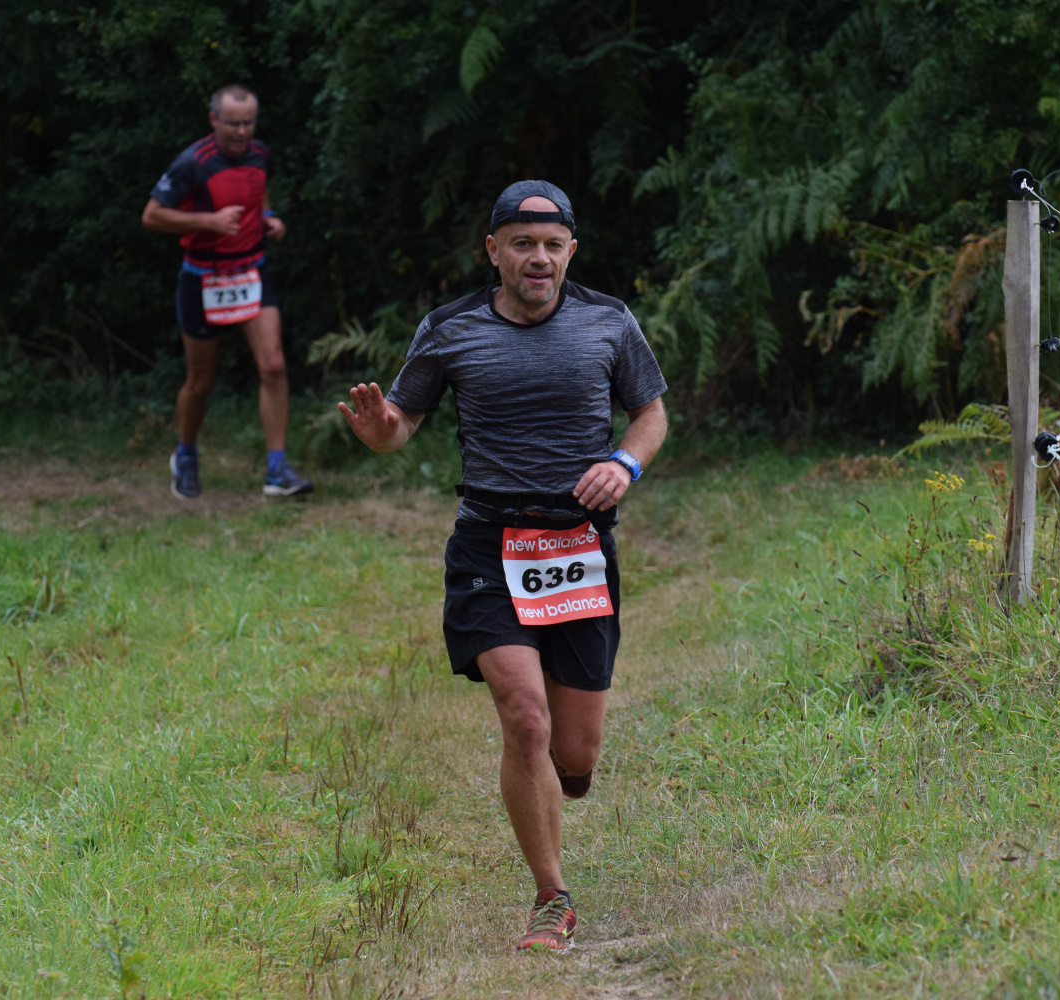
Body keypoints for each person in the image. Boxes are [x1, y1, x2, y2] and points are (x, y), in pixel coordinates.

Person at [338, 180, 668, 953]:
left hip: (577, 546)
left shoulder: (609, 321)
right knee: (524, 717)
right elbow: (400, 424)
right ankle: (552, 900)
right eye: (523, 244)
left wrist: (623, 463)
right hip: (489, 544)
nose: (538, 258)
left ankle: (559, 774)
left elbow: (651, 412)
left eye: (552, 245)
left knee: (574, 755)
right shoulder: (450, 328)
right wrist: (381, 429)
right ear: (494, 251)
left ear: (571, 251)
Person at [142, 83, 311, 499]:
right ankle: (185, 454)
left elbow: (258, 190)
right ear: (213, 119)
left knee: (273, 365)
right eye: (233, 123)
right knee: (201, 380)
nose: (241, 132)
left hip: (250, 271)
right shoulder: (191, 162)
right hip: (202, 277)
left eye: (249, 123)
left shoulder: (260, 153)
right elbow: (152, 216)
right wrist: (209, 222)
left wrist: (269, 217)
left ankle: (277, 469)